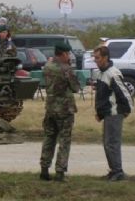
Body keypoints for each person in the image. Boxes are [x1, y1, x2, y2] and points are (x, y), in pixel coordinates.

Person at [39, 40, 80, 182]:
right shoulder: (66, 69)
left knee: (49, 137)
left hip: (50, 108)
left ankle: (44, 169)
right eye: (68, 53)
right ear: (63, 54)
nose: (69, 56)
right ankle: (60, 172)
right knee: (64, 140)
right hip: (64, 109)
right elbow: (75, 87)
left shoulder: (47, 66)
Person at [93, 45, 134, 182]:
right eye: (94, 58)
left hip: (115, 113)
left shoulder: (113, 74)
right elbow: (102, 97)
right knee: (107, 143)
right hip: (107, 114)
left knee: (112, 143)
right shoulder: (100, 73)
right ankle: (114, 171)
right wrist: (100, 113)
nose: (95, 61)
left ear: (105, 57)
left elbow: (126, 94)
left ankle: (118, 172)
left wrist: (127, 110)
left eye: (98, 58)